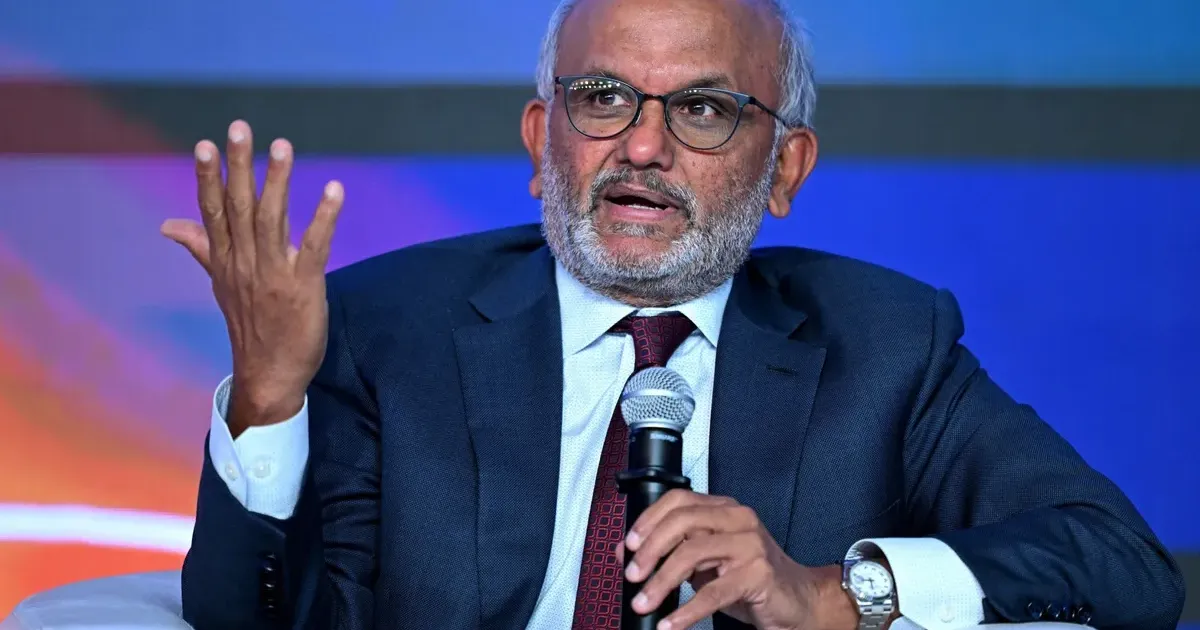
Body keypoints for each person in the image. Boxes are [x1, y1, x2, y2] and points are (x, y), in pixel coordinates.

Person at [161, 0, 1185, 628]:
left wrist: (832, 595)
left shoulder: (883, 344)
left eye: (702, 109)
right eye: (604, 97)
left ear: (785, 168)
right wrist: (269, 399)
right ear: (542, 141)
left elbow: (1122, 565)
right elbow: (257, 619)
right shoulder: (385, 328)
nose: (642, 147)